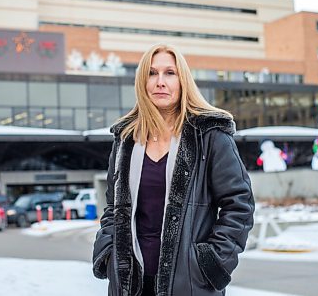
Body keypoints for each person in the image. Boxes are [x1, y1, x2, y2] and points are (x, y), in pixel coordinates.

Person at [92, 43, 255, 296]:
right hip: (130, 285)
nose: (160, 82)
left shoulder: (210, 135)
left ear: (183, 80)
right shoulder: (125, 140)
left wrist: (210, 263)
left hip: (190, 284)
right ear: (142, 82)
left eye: (170, 73)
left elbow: (239, 204)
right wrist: (108, 253)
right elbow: (113, 208)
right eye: (152, 73)